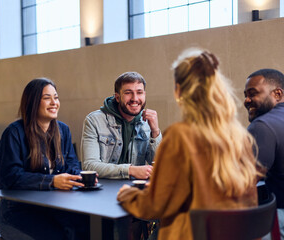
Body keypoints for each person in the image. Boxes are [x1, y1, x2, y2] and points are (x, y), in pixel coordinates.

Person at [117, 49, 261, 240]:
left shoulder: (180, 136)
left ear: (178, 92)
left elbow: (155, 205)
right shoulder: (239, 136)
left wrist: (128, 195)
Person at [0, 78, 89, 240]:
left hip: (55, 208)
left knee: (90, 228)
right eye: (47, 98)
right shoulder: (14, 132)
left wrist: (79, 178)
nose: (54, 102)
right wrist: (52, 181)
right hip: (18, 213)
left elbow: (72, 166)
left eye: (56, 97)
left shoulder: (63, 130)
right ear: (32, 102)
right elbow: (9, 178)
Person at [81, 71, 162, 179]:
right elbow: (89, 166)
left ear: (144, 95)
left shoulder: (146, 122)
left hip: (135, 190)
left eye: (139, 92)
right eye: (128, 92)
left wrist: (155, 132)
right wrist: (130, 170)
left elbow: (161, 166)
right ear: (117, 97)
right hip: (103, 190)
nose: (135, 99)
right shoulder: (94, 121)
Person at [244, 68, 284, 239]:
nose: (246, 100)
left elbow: (241, 182)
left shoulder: (262, 126)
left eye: (252, 94)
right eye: (245, 94)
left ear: (277, 94)